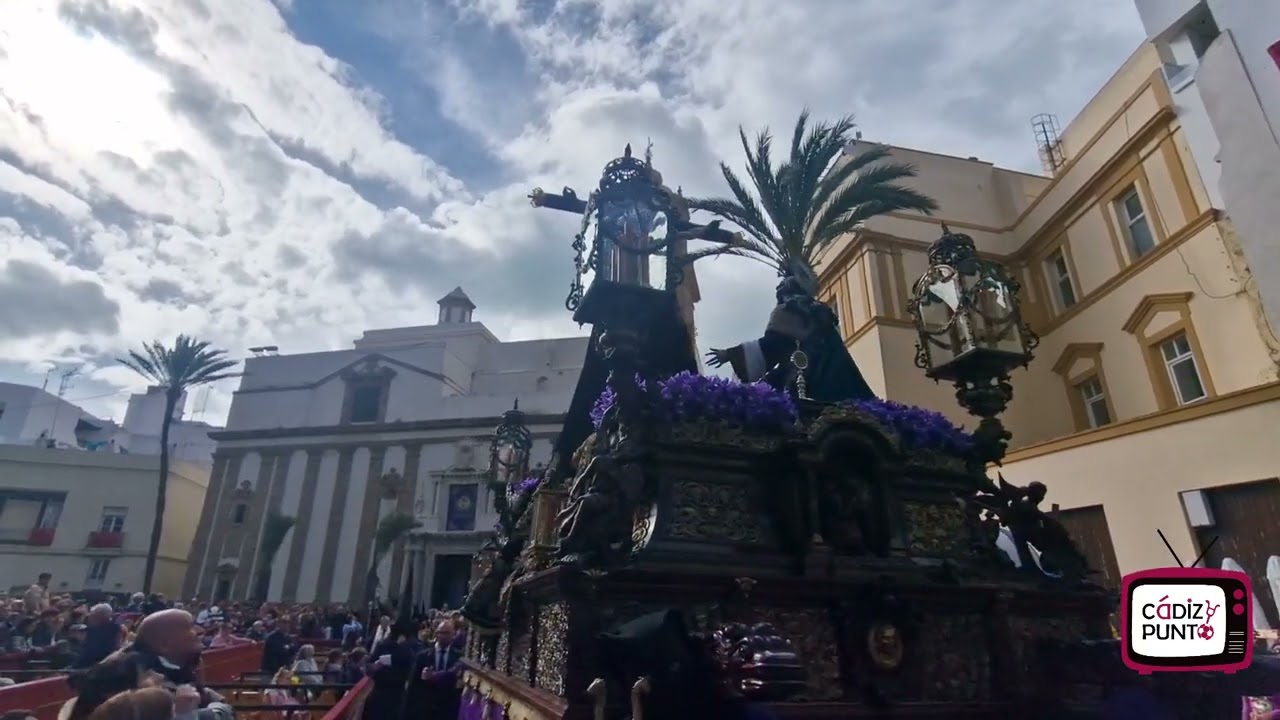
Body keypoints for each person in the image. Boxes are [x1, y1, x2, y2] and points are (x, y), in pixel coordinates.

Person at [707, 276, 875, 404]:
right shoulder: (816, 310)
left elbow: (772, 345)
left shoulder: (787, 309)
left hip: (807, 375)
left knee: (762, 398)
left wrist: (730, 354)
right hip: (836, 373)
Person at [125, 610, 233, 720]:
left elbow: (205, 695)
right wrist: (213, 713)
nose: (200, 631)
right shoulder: (136, 677)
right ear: (164, 645)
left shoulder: (179, 668)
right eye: (190, 628)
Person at [403, 621, 461, 720]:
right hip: (425, 711)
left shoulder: (458, 657)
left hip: (448, 712)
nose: (444, 636)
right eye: (441, 633)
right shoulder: (422, 656)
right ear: (436, 634)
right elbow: (412, 686)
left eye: (447, 633)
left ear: (453, 635)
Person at [363, 627, 414, 720]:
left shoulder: (404, 648)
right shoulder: (384, 645)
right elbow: (369, 665)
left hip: (391, 690)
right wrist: (375, 666)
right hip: (387, 689)